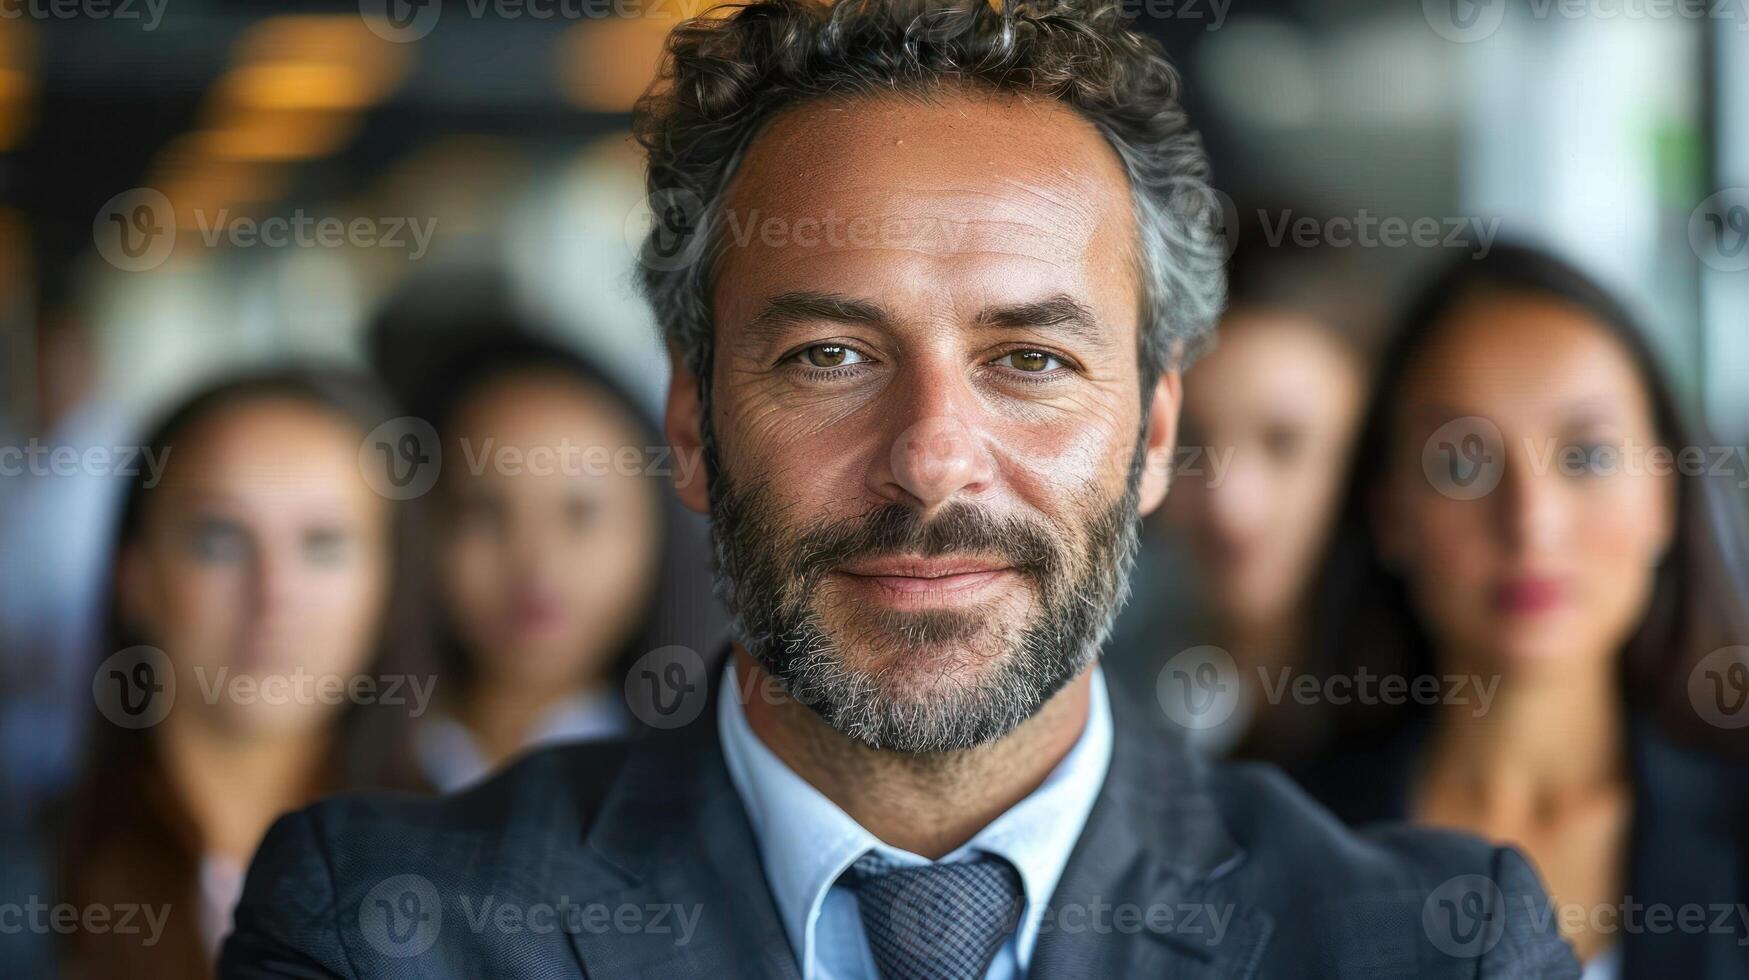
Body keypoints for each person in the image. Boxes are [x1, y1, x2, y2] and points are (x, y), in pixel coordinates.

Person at [221, 2, 1579, 977]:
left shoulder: (1433, 947)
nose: (932, 458)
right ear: (691, 423)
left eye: (1030, 359)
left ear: (1156, 433)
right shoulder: (384, 930)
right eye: (829, 356)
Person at [1292, 244, 1749, 978]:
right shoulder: (1273, 838)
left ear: (1665, 492)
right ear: (1388, 513)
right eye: (1461, 463)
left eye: (1586, 457)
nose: (1530, 523)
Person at [45, 368, 429, 978]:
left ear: (388, 586)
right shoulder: (26, 878)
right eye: (219, 539)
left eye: (324, 544)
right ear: (135, 577)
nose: (274, 595)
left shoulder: (480, 876)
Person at [1116, 217, 1373, 759]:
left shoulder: (1421, 737)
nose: (1231, 505)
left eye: (1286, 444)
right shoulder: (1113, 671)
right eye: (1190, 442)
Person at [409, 333, 688, 790]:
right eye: (485, 512)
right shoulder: (337, 768)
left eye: (581, 514)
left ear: (655, 528)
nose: (537, 565)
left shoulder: (705, 784)